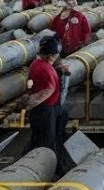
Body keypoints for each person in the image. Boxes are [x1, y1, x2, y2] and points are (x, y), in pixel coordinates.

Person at [23, 36, 71, 177]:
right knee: (47, 144)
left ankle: (26, 161)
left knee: (41, 139)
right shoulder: (45, 69)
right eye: (56, 55)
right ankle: (52, 172)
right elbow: (47, 90)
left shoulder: (37, 64)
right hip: (46, 111)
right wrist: (29, 104)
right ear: (52, 55)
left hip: (46, 110)